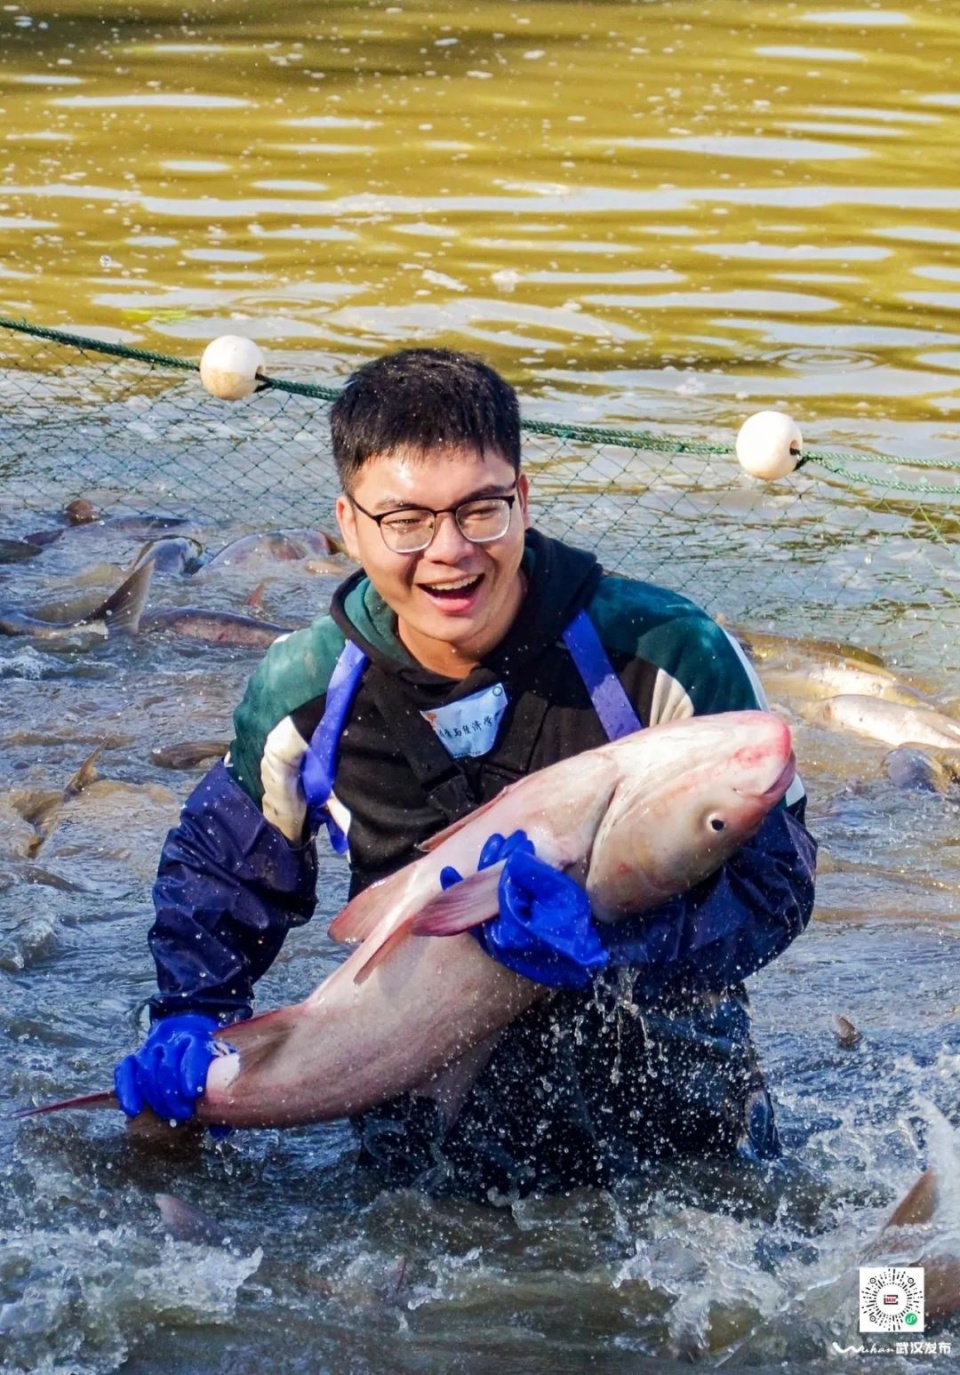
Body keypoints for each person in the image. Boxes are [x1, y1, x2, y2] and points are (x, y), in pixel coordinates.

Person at [115, 348, 817, 1198]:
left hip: (679, 1139)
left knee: (868, 1291)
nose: (449, 552)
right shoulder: (305, 691)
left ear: (523, 499)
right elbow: (222, 874)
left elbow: (778, 882)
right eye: (405, 520)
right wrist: (194, 1010)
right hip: (421, 1154)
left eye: (481, 510)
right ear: (348, 524)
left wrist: (616, 943)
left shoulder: (668, 653)